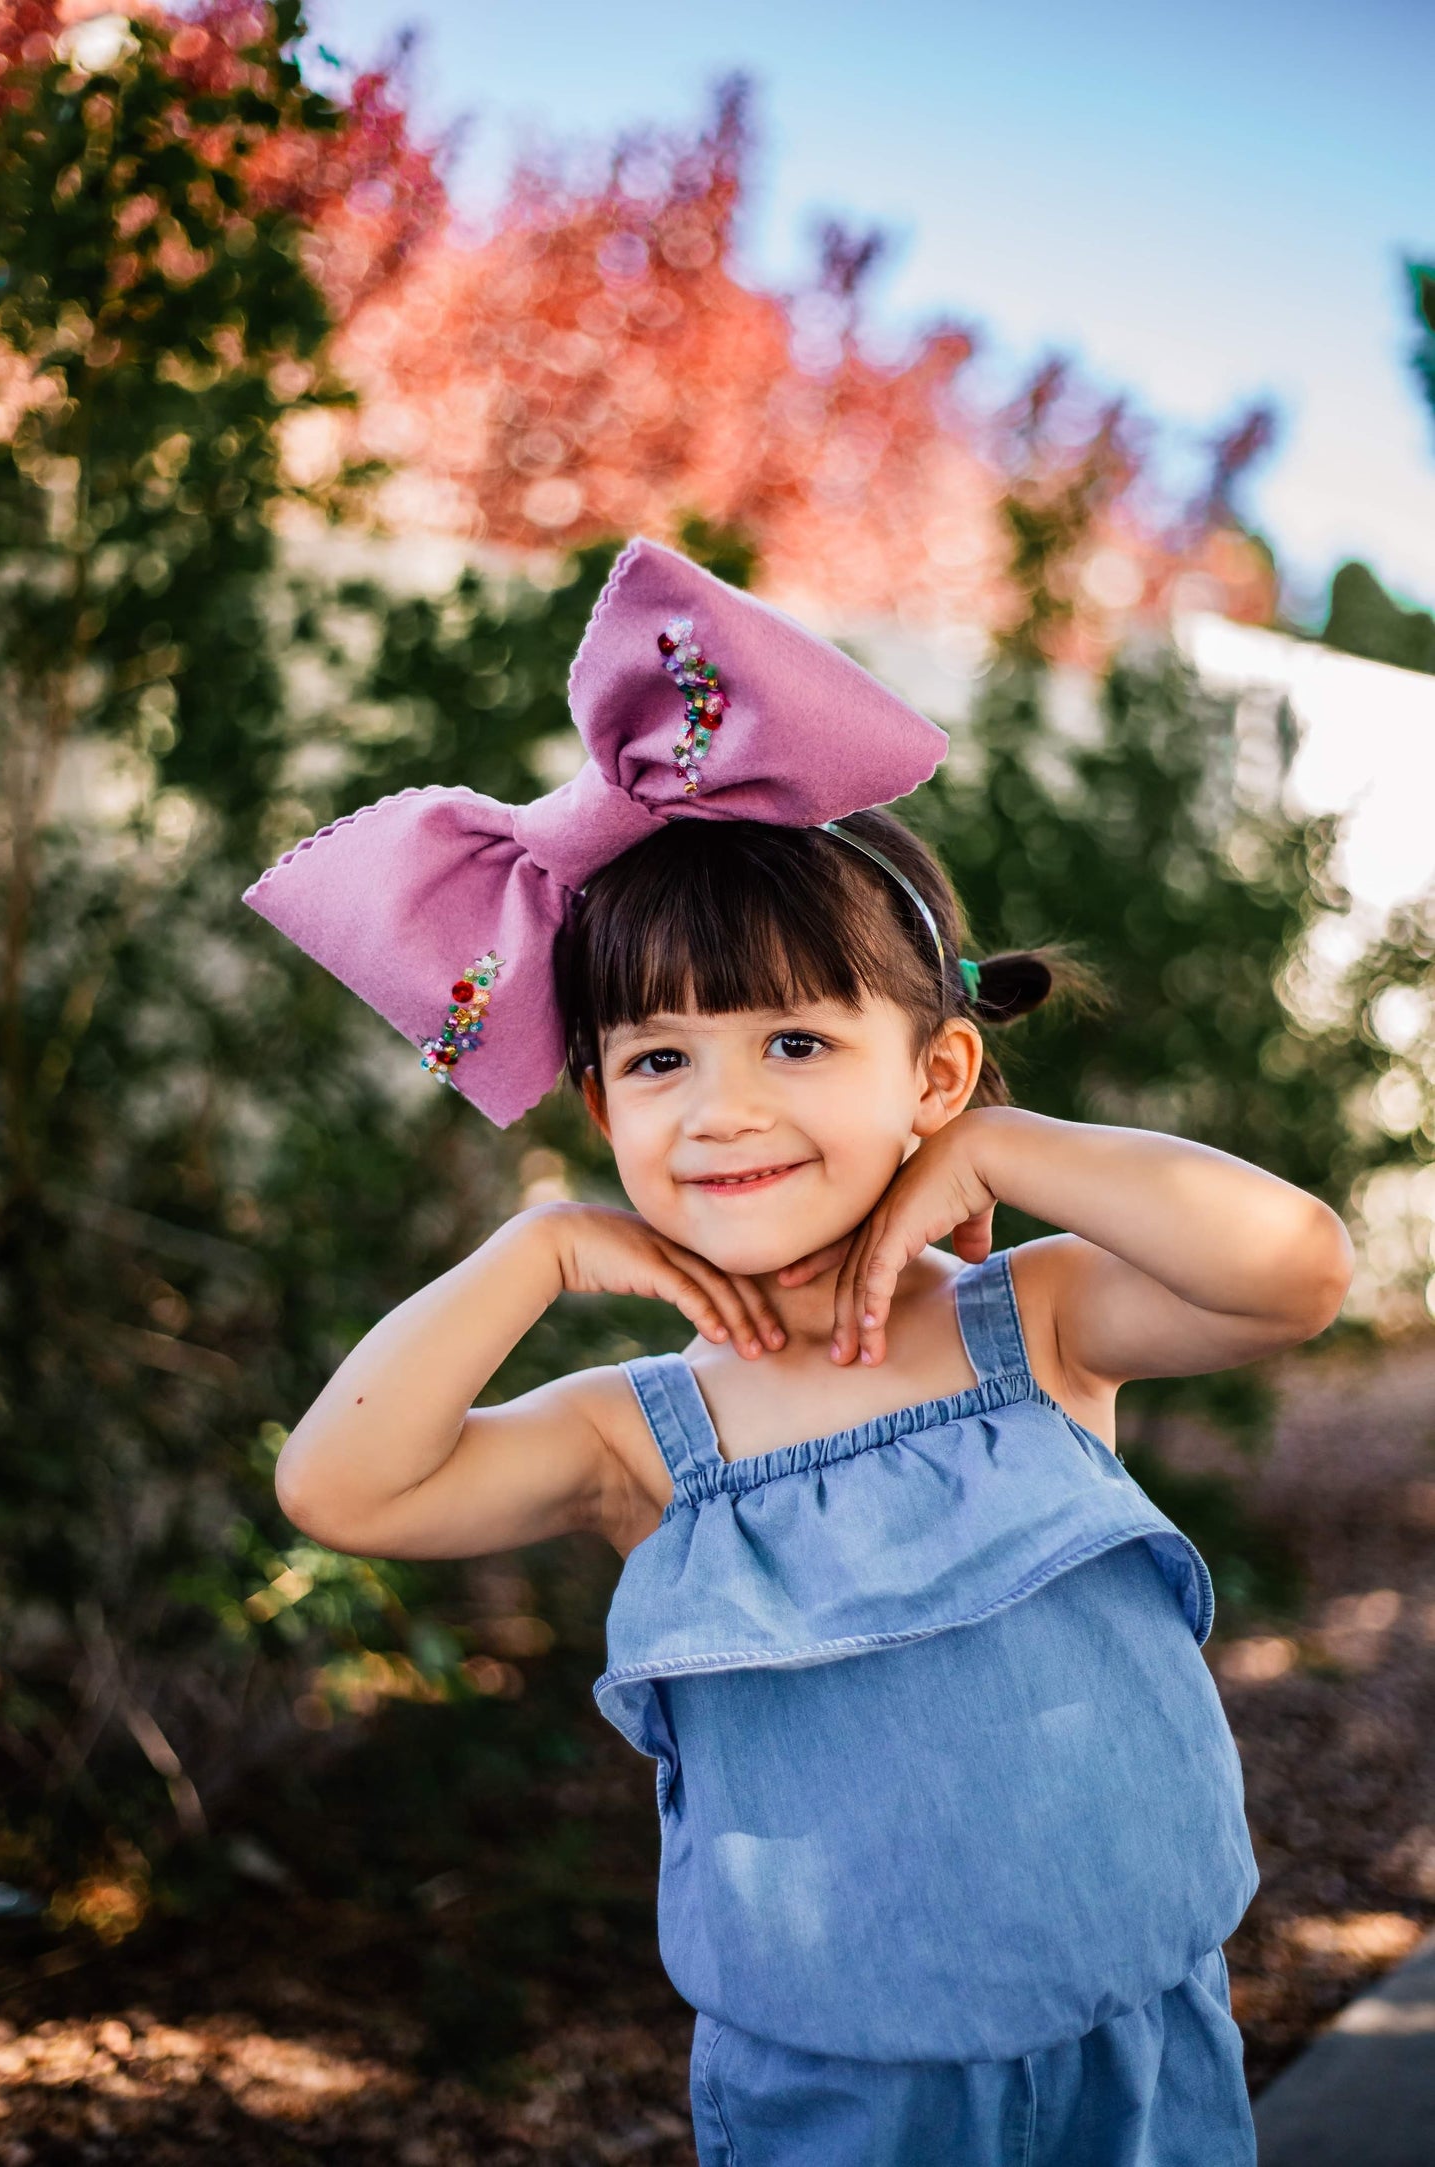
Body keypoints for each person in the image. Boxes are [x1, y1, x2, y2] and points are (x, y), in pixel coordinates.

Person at [245, 538, 1353, 2166]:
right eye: (656, 1058)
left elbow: (1295, 1271)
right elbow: (339, 1488)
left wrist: (996, 1152)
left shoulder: (1028, 1327)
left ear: (934, 1068)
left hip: (1143, 2041)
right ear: (600, 1105)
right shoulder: (640, 1432)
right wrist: (534, 1250)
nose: (726, 1106)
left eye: (793, 1040)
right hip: (845, 2095)